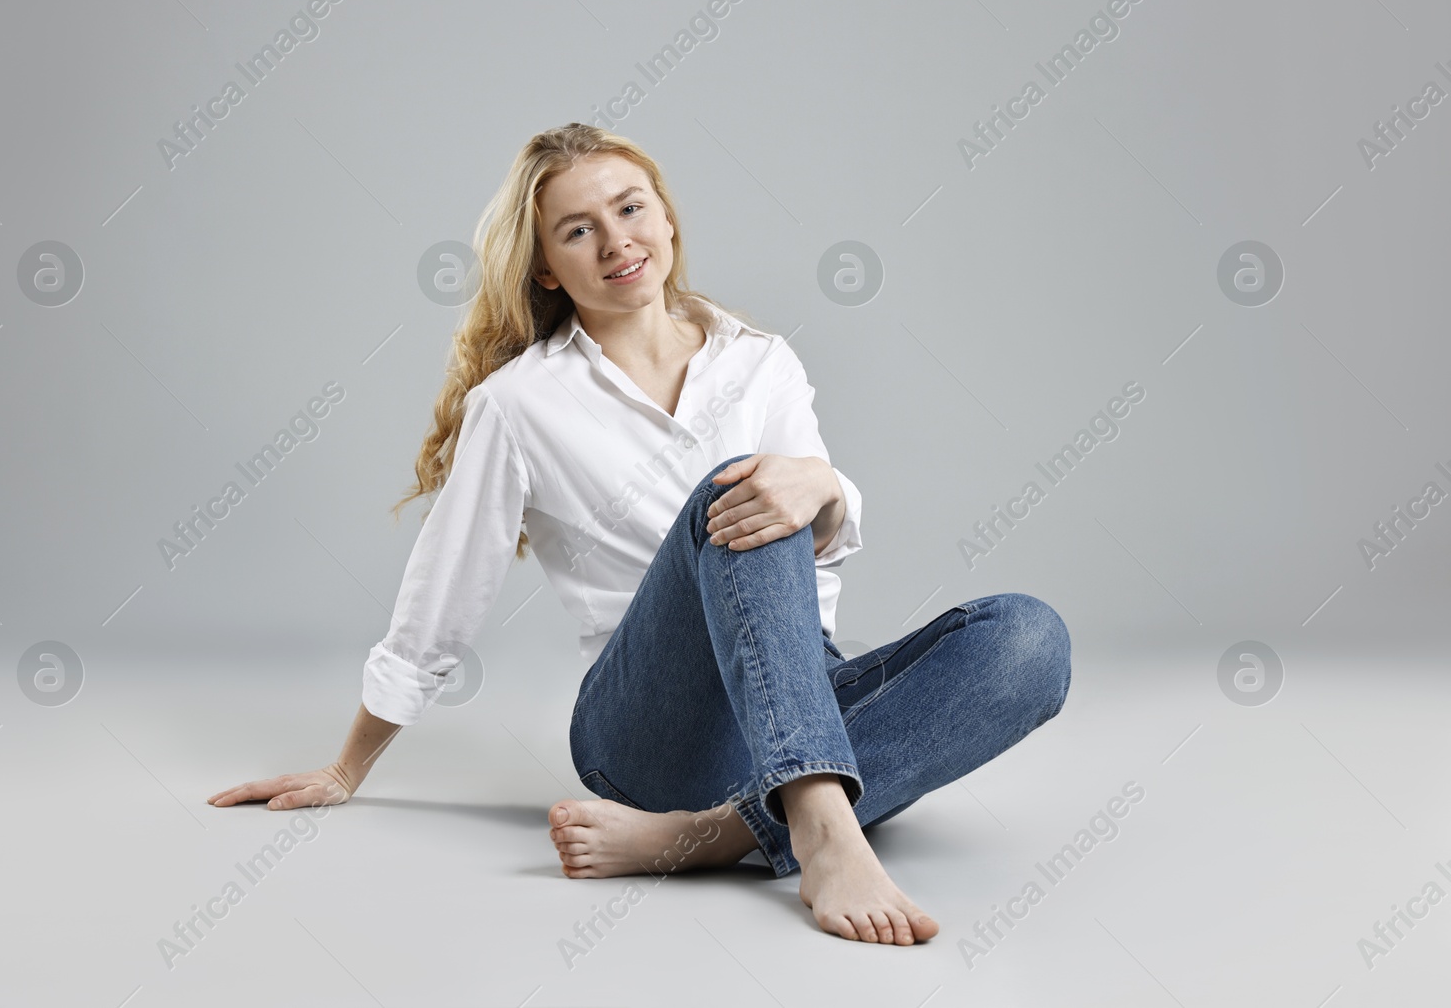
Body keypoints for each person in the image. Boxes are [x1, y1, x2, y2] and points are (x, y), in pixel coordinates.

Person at [208, 123, 1072, 946]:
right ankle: (824, 834)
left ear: (664, 216)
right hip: (647, 729)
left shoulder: (759, 359)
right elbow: (443, 596)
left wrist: (826, 486)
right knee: (736, 497)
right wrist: (347, 766)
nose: (616, 240)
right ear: (546, 267)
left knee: (1031, 638)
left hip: (793, 690)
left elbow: (818, 538)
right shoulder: (516, 406)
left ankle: (714, 835)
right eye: (577, 230)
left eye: (629, 208)